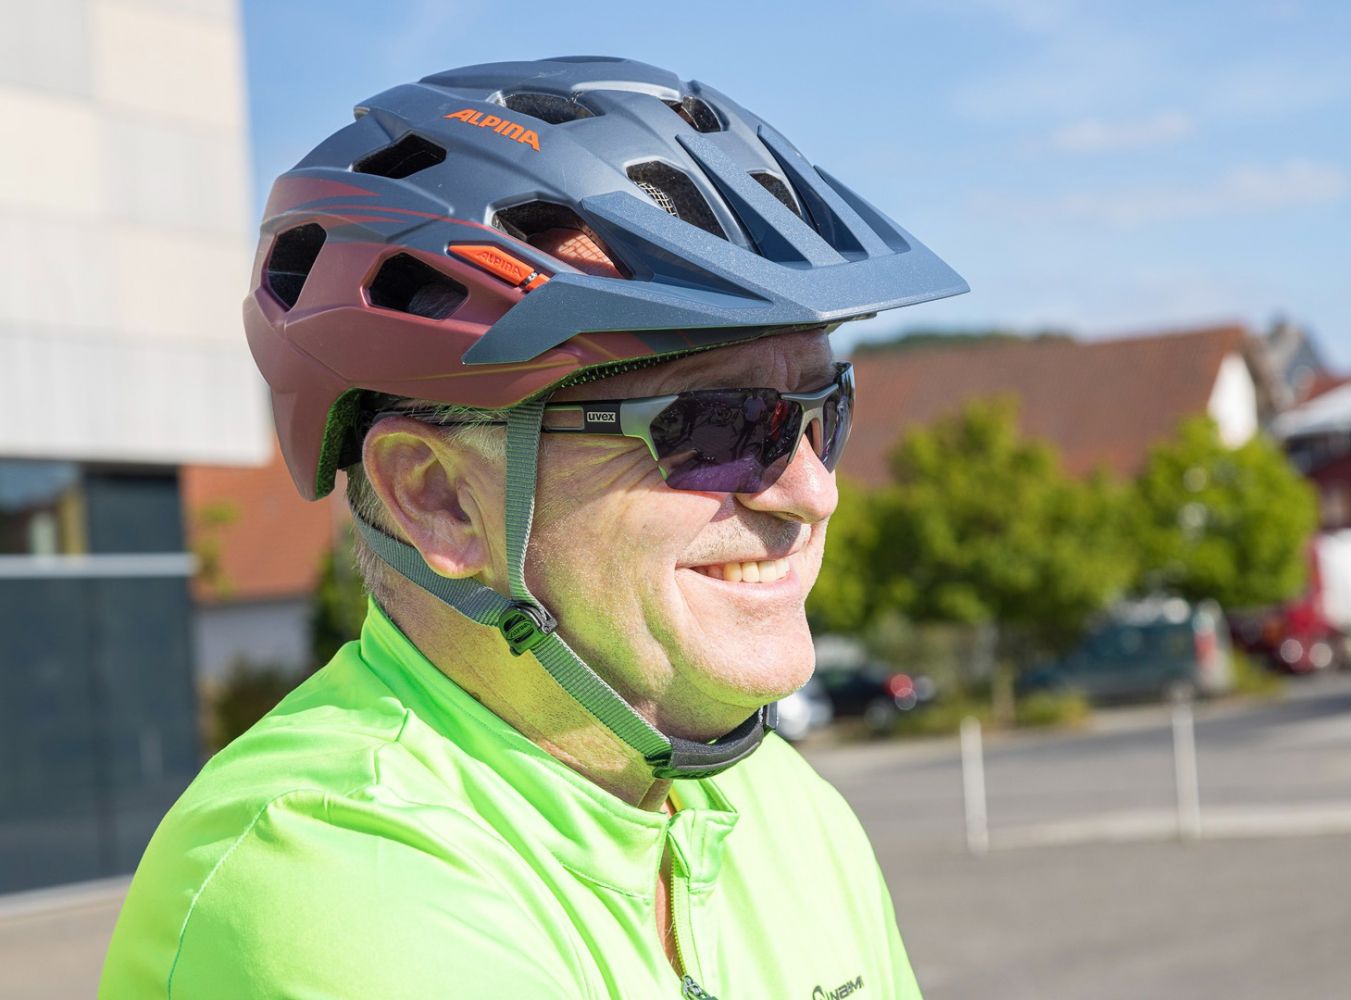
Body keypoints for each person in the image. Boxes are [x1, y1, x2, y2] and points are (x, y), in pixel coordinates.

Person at [100, 56, 966, 998]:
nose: (810, 491)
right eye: (718, 426)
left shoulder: (784, 809)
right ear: (439, 498)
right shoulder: (325, 873)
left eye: (823, 411)